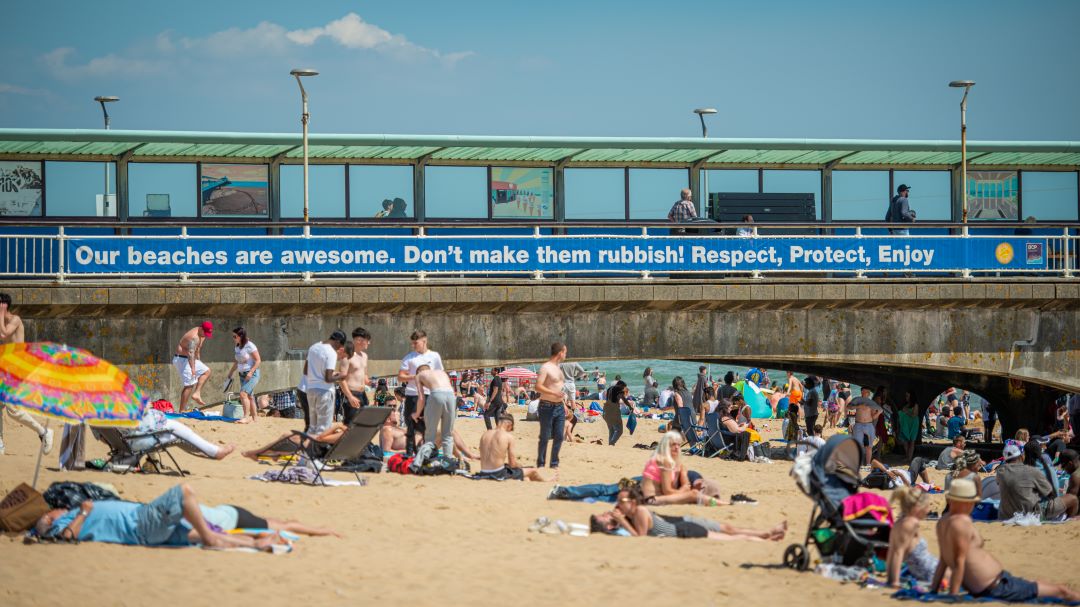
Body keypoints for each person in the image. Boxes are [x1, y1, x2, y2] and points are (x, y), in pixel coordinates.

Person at [932, 477, 1080, 601]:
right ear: (966, 502)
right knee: (1061, 591)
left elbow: (944, 561)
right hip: (995, 586)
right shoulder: (961, 523)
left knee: (1039, 586)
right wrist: (953, 596)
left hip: (994, 583)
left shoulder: (943, 522)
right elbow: (959, 562)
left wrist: (933, 590)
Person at [33, 484, 286, 551]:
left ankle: (256, 544)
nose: (57, 508)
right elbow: (67, 538)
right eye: (50, 512)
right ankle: (213, 539)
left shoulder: (69, 516)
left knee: (193, 535)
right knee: (184, 493)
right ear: (50, 521)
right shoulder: (63, 526)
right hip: (141, 524)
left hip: (144, 526)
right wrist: (85, 512)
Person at [593, 483, 784, 541]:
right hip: (682, 527)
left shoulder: (640, 512)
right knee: (728, 532)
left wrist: (622, 521)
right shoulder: (633, 513)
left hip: (683, 528)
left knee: (729, 532)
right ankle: (766, 535)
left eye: (621, 500)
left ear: (632, 502)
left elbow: (639, 536)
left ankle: (765, 535)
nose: (618, 503)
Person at [0, 293, 54, 457]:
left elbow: (4, 334)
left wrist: (1, 314)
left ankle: (44, 432)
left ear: (4, 306)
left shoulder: (15, 320)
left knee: (13, 410)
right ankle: (0, 443)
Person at [996, 442, 1078, 521]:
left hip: (1008, 513)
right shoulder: (1041, 469)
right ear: (1021, 456)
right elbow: (1050, 494)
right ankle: (1068, 522)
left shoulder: (1001, 472)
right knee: (1073, 499)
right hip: (1037, 511)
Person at [639, 432, 724, 506]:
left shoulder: (671, 461)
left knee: (703, 488)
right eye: (673, 444)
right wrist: (683, 491)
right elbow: (667, 491)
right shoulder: (664, 461)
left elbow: (683, 480)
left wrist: (684, 487)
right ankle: (722, 504)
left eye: (678, 445)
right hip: (651, 500)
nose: (676, 447)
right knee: (693, 494)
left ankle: (717, 502)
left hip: (657, 498)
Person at [397, 329, 444, 457]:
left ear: (424, 341)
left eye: (415, 343)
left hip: (430, 394)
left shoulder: (434, 356)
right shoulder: (409, 358)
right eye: (412, 343)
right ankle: (409, 453)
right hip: (413, 394)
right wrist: (417, 377)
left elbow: (441, 374)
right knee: (411, 425)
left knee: (429, 426)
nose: (413, 346)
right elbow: (400, 377)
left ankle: (426, 452)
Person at [124, 407, 234, 460]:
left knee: (174, 433)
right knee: (174, 429)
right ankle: (213, 451)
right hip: (139, 442)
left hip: (130, 443)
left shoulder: (110, 416)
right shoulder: (123, 410)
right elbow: (146, 424)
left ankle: (210, 450)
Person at [886, 486, 940, 588]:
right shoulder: (911, 523)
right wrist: (895, 582)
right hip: (930, 571)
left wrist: (890, 578)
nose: (928, 510)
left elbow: (892, 552)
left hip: (922, 571)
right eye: (927, 506)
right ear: (918, 507)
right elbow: (898, 553)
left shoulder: (898, 523)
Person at [474, 415, 549, 481]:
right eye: (511, 429)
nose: (510, 431)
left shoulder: (485, 434)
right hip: (497, 473)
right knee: (533, 470)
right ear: (509, 424)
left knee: (525, 478)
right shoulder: (508, 436)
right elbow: (512, 464)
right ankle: (548, 481)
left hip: (483, 472)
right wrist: (520, 466)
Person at [306, 330, 348, 436]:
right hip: (324, 391)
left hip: (310, 389)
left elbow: (305, 371)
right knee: (324, 428)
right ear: (338, 342)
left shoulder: (313, 347)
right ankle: (319, 451)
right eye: (340, 345)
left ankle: (309, 451)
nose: (339, 349)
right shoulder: (331, 352)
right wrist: (341, 376)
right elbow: (328, 378)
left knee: (312, 427)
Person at [411, 364, 456, 458]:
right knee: (448, 434)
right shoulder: (441, 372)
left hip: (436, 394)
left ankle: (425, 459)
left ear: (419, 371)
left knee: (430, 435)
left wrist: (417, 413)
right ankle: (448, 461)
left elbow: (421, 398)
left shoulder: (419, 375)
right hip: (451, 396)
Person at [535, 342, 567, 469]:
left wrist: (563, 404)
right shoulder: (545, 367)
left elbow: (559, 388)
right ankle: (541, 463)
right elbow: (538, 386)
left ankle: (554, 463)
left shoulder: (558, 368)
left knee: (559, 436)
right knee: (545, 437)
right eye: (565, 352)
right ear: (560, 353)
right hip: (546, 406)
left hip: (559, 406)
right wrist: (554, 393)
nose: (566, 355)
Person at [173, 321, 214, 412]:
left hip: (190, 359)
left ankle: (197, 393)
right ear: (201, 328)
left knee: (207, 371)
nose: (206, 335)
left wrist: (199, 361)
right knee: (189, 384)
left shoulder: (201, 334)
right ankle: (181, 411)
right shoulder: (194, 337)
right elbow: (191, 353)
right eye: (205, 332)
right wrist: (193, 368)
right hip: (182, 359)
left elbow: (197, 349)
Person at [336, 327, 372, 425]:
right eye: (367, 341)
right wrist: (350, 396)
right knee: (350, 424)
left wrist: (368, 381)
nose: (369, 343)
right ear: (359, 340)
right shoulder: (347, 355)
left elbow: (364, 374)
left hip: (362, 394)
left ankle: (363, 441)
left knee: (364, 422)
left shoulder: (365, 356)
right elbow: (341, 379)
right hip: (351, 393)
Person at [226, 327, 261, 424]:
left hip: (252, 374)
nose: (233, 338)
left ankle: (246, 417)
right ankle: (254, 419)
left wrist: (251, 372)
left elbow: (258, 360)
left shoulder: (250, 345)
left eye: (235, 336)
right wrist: (231, 372)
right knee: (250, 396)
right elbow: (237, 361)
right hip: (242, 374)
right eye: (232, 336)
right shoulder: (237, 346)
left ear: (241, 336)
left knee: (243, 394)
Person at [852, 386, 880, 467]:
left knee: (869, 446)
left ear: (868, 393)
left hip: (868, 425)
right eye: (863, 392)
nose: (864, 394)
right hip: (858, 424)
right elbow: (850, 409)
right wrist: (850, 423)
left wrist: (878, 413)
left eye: (866, 392)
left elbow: (874, 416)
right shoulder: (857, 401)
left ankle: (868, 464)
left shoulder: (871, 403)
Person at [603, 381, 636, 446]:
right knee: (619, 431)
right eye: (623, 387)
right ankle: (612, 443)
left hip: (606, 411)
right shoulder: (618, 390)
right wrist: (630, 407)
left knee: (611, 429)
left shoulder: (610, 389)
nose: (623, 389)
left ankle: (610, 444)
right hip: (614, 411)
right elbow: (624, 399)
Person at [897, 391, 921, 463]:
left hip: (913, 425)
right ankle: (908, 456)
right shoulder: (906, 405)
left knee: (912, 441)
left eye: (907, 396)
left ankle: (909, 458)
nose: (906, 397)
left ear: (911, 396)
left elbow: (914, 415)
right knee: (905, 441)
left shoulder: (915, 405)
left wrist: (906, 411)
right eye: (906, 396)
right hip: (906, 425)